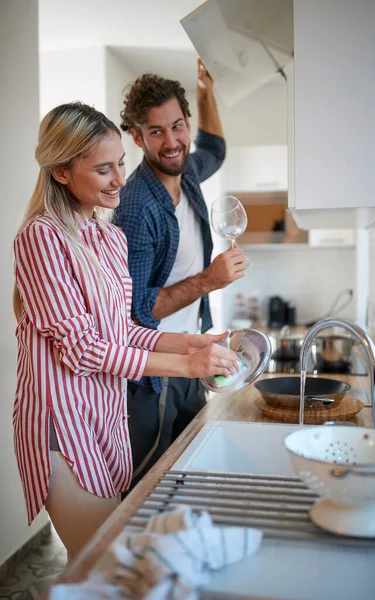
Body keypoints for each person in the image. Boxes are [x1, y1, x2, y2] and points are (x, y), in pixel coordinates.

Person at [12, 102, 239, 560]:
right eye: (103, 169)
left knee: (112, 559)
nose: (120, 179)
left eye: (120, 163)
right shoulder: (41, 238)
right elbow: (82, 350)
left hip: (106, 419)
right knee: (103, 565)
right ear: (60, 172)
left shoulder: (109, 237)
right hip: (65, 427)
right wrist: (185, 365)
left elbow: (123, 332)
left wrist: (192, 342)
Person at [115, 60, 246, 489]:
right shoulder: (136, 208)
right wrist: (210, 280)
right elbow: (138, 310)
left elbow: (217, 149)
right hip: (155, 375)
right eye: (156, 132)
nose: (172, 142)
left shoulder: (184, 169)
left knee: (185, 474)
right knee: (148, 482)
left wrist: (206, 90)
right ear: (136, 137)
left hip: (191, 358)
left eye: (178, 126)